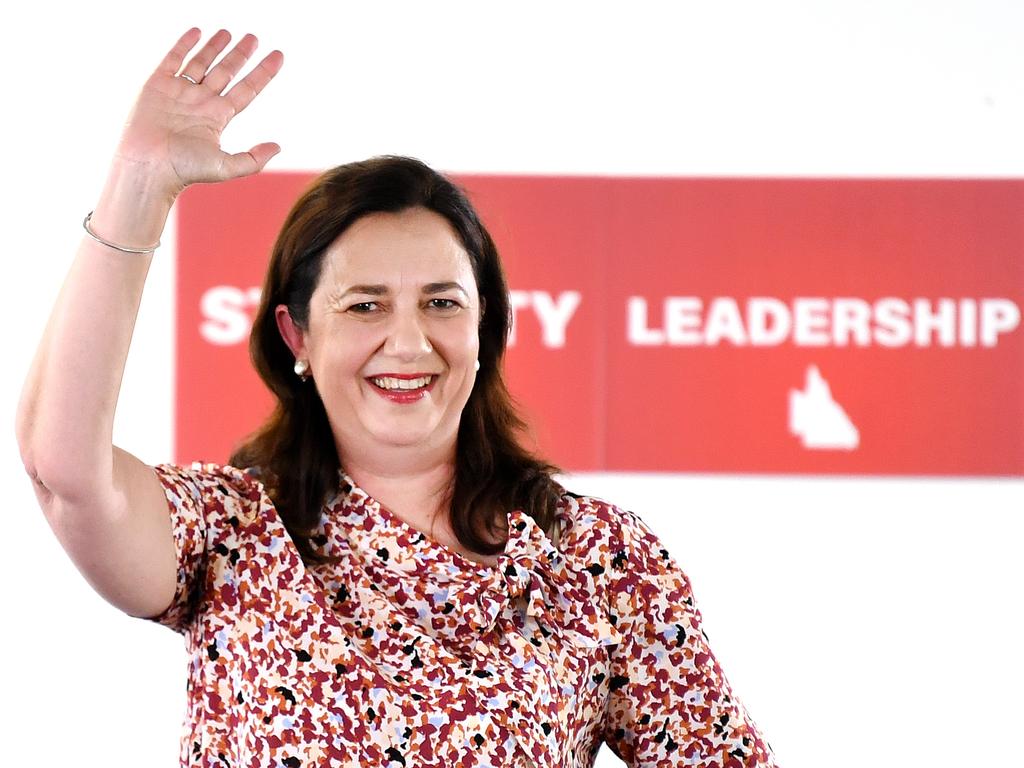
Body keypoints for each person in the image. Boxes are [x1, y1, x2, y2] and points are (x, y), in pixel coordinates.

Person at [16, 28, 777, 768]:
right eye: (365, 305)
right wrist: (138, 187)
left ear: (486, 327)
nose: (409, 343)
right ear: (297, 335)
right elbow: (65, 471)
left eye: (442, 303)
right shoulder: (233, 531)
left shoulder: (598, 558)